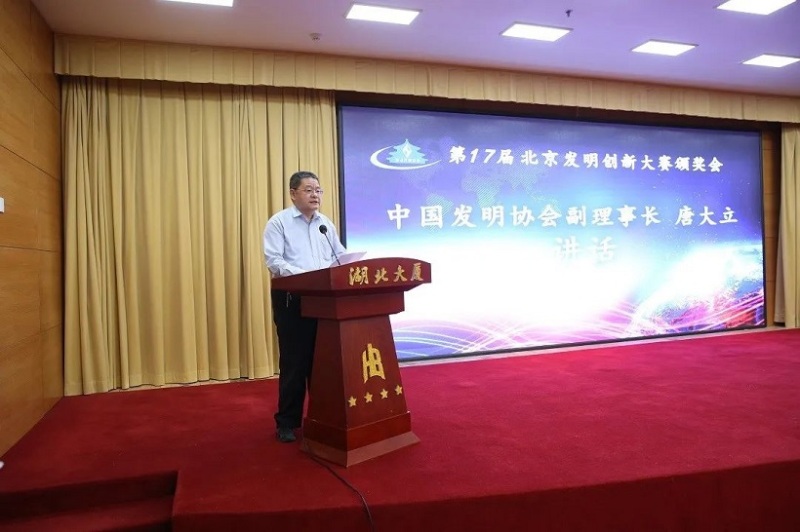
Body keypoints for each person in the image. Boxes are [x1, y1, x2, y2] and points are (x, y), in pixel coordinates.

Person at [263, 170, 346, 443]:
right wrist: (307, 277)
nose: (315, 195)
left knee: (323, 363)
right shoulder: (279, 223)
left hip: (324, 300)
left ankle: (323, 417)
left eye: (318, 190)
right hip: (292, 299)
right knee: (295, 362)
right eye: (309, 190)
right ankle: (287, 422)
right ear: (293, 193)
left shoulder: (325, 224)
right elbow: (274, 261)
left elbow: (339, 255)